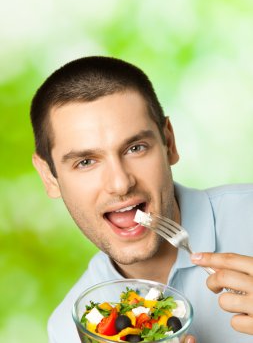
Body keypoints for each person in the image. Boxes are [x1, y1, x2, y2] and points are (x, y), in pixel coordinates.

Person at [30, 56, 253, 343]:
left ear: (169, 143)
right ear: (49, 176)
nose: (121, 183)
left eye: (135, 148)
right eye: (86, 162)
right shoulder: (68, 331)